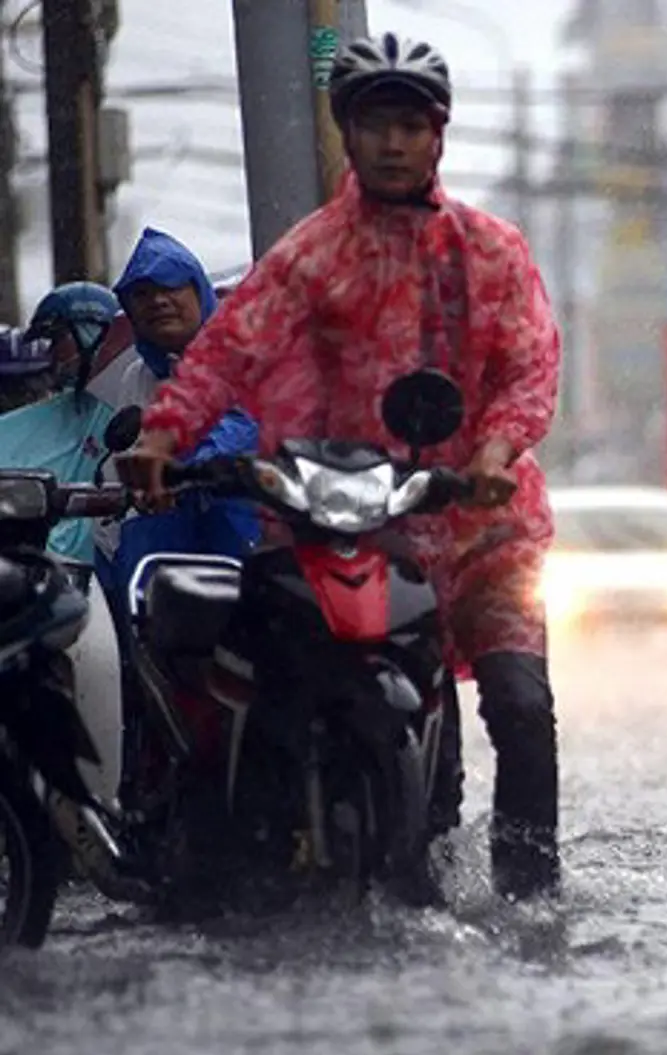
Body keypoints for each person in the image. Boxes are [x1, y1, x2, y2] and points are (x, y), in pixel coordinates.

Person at [116, 32, 563, 900]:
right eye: (375, 126)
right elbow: (227, 352)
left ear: (437, 137)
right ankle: (257, 863)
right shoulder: (311, 252)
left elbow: (529, 368)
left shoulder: (492, 252)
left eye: (410, 126)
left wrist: (495, 451)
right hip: (356, 519)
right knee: (279, 677)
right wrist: (164, 436)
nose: (393, 144)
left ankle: (529, 893)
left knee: (521, 706)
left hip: (483, 524)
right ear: (346, 136)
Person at [94, 227, 261, 611]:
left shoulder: (244, 353)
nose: (158, 302)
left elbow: (247, 427)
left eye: (170, 287)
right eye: (142, 294)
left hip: (244, 527)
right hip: (163, 540)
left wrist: (183, 460)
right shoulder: (136, 376)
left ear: (198, 291)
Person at [0, 284, 127, 562]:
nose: (54, 355)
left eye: (58, 340)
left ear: (91, 331)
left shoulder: (131, 390)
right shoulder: (76, 405)